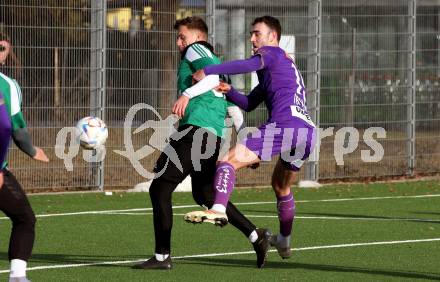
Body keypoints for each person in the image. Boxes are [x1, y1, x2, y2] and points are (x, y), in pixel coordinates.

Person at [133, 16, 271, 270]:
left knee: (160, 188)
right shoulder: (219, 65)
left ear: (198, 37)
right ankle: (256, 235)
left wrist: (186, 94)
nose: (178, 43)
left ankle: (162, 257)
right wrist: (246, 145)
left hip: (195, 131)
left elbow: (206, 79)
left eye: (182, 36)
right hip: (212, 136)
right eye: (178, 38)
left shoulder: (196, 50)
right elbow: (235, 111)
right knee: (205, 194)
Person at [184, 15, 317, 259]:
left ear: (273, 36)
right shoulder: (279, 68)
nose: (252, 38)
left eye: (257, 33)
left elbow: (247, 65)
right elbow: (249, 103)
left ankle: (218, 208)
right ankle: (284, 241)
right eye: (251, 33)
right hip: (306, 131)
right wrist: (229, 91)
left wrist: (209, 70)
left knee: (227, 161)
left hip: (285, 125)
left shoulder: (273, 54)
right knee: (281, 185)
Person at [0, 37, 49, 282]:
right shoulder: (7, 86)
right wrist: (31, 150)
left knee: (24, 218)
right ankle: (17, 277)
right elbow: (12, 128)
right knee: (25, 219)